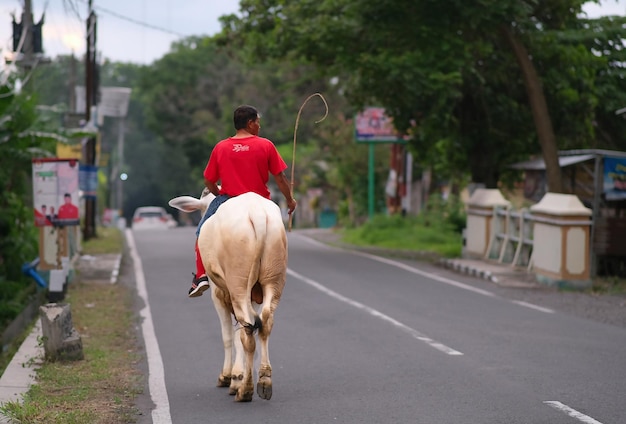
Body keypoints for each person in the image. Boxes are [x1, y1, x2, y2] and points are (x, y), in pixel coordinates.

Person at [188, 104, 297, 298]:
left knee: (201, 232)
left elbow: (208, 180)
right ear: (250, 123)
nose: (259, 126)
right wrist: (290, 200)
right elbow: (280, 178)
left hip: (229, 198)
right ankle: (273, 272)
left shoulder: (221, 147)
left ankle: (201, 275)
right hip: (261, 200)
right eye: (257, 122)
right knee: (278, 234)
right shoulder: (266, 145)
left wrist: (218, 192)